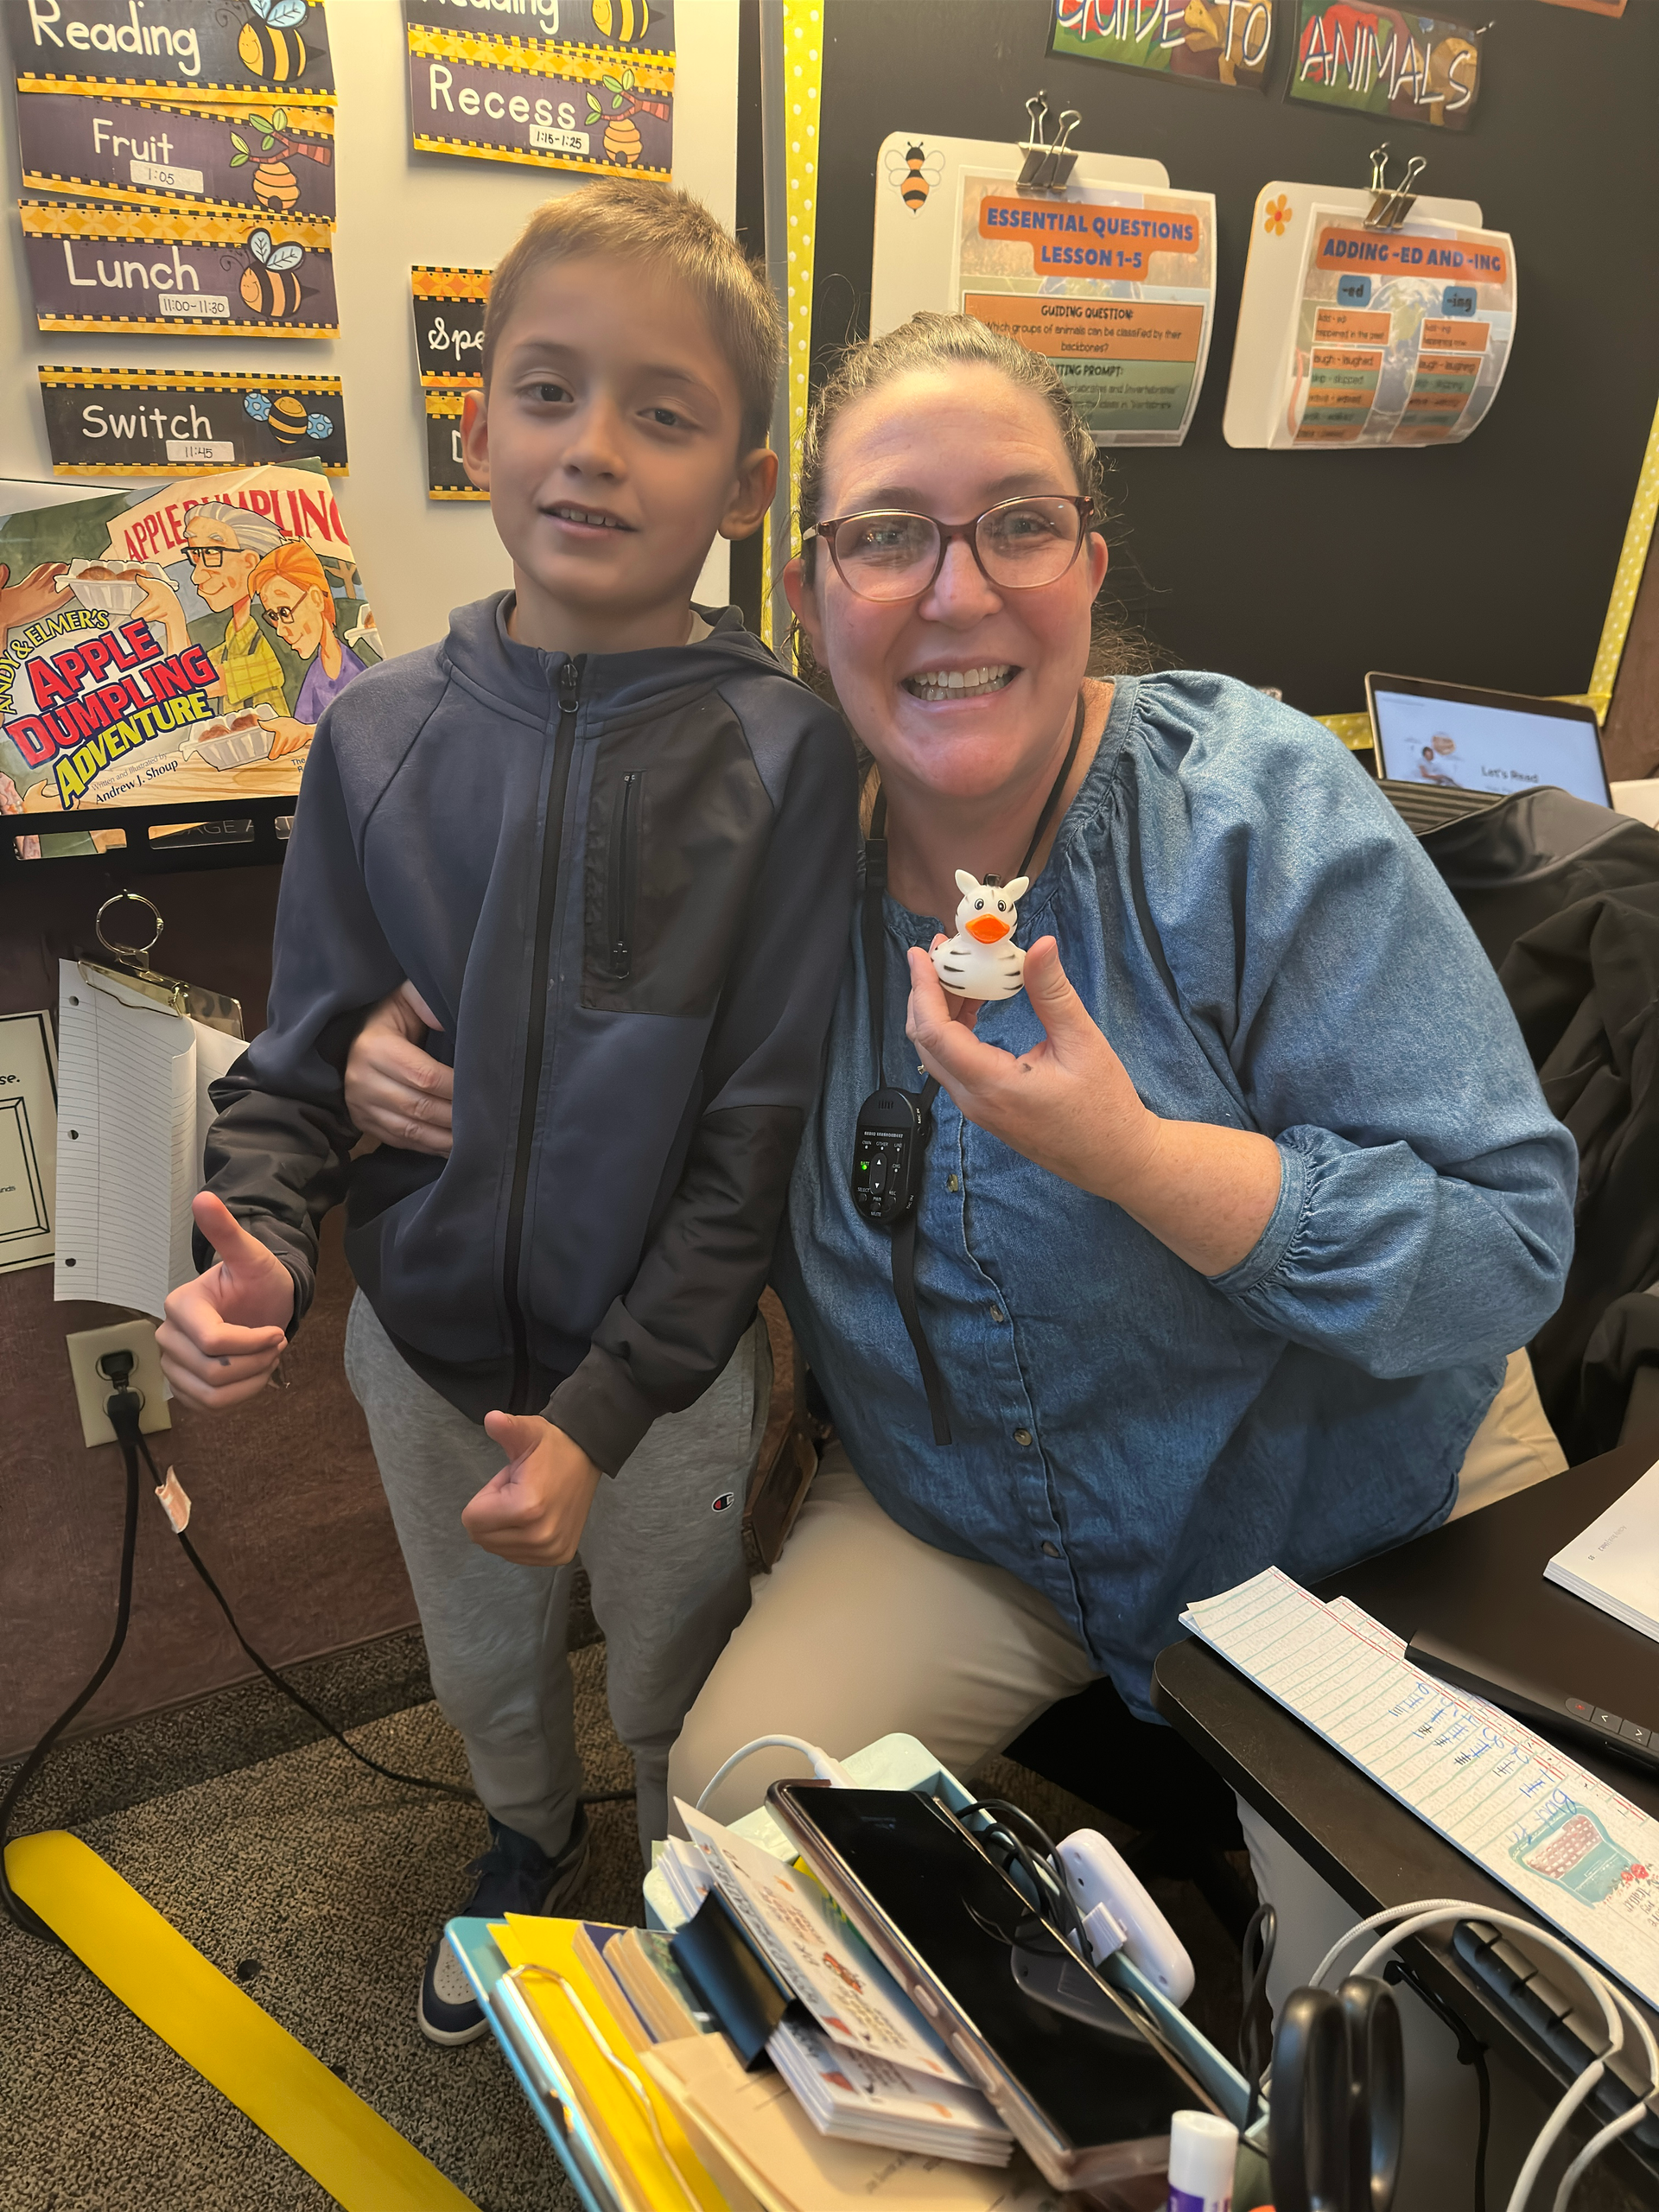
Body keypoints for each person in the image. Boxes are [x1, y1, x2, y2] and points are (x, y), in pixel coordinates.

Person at [340, 315, 1573, 2189]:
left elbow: (1508, 1245)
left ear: (1088, 559)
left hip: (1347, 1499)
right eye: (889, 535)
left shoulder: (1247, 810)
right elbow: (559, 1045)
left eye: (1015, 522)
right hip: (972, 1508)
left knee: (1424, 2054)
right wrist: (378, 1043)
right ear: (813, 582)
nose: (954, 590)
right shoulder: (760, 851)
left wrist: (1149, 1158)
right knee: (739, 1808)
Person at [156, 180, 856, 2047]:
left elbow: (754, 1131)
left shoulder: (790, 756)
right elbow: (301, 1066)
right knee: (483, 1659)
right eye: (548, 391)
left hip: (674, 1365)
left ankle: (673, 1873)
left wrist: (610, 1413)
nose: (595, 449)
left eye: (665, 411)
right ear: (479, 430)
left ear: (748, 481)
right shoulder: (373, 734)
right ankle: (525, 1841)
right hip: (426, 1343)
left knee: (678, 1674)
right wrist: (254, 1261)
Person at [178, 500, 306, 750]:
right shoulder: (234, 634)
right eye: (195, 556)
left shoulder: (273, 631)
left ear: (249, 562)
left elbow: (201, 685)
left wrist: (173, 618)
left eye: (211, 554)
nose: (196, 576)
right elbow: (184, 680)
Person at [250, 537, 367, 744]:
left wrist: (307, 733)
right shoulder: (316, 673)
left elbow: (372, 725)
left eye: (284, 612)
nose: (280, 630)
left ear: (315, 598)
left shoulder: (356, 667)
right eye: (273, 617)